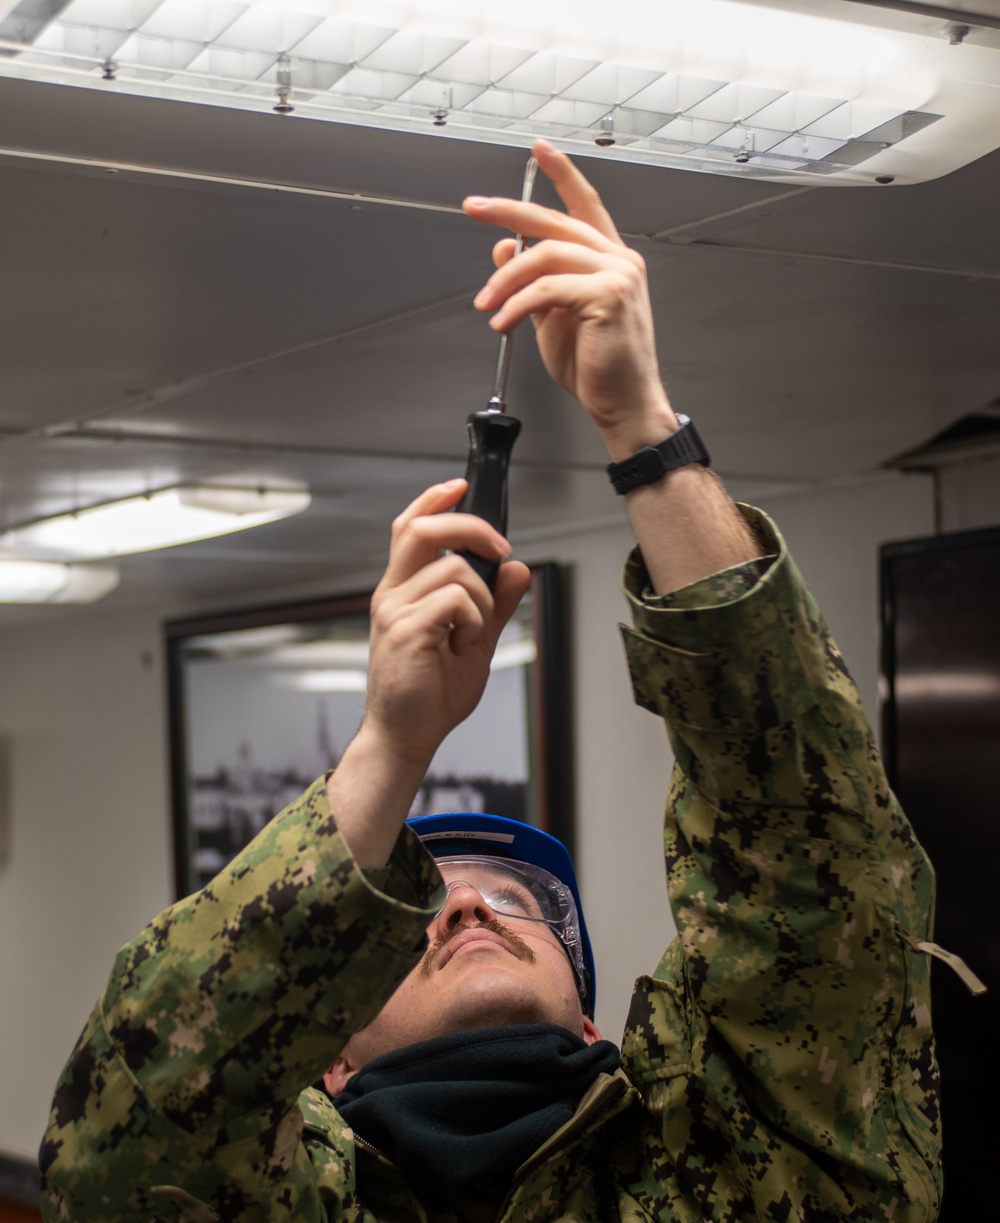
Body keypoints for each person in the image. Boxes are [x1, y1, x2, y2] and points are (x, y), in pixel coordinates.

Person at [39, 141, 942, 1222]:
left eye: (517, 902)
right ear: (322, 1052)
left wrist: (643, 431)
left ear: (587, 1026)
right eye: (427, 910)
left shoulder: (745, 1177)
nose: (465, 898)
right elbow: (126, 1137)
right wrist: (387, 744)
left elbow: (818, 878)